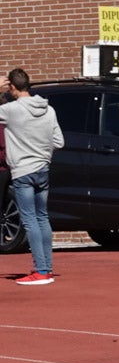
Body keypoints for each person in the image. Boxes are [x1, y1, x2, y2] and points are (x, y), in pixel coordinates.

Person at [0, 68, 64, 285]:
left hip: (23, 171)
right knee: (42, 217)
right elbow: (59, 142)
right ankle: (46, 267)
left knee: (30, 221)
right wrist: (43, 154)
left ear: (12, 87)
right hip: (43, 169)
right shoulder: (49, 109)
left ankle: (42, 271)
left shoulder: (11, 110)